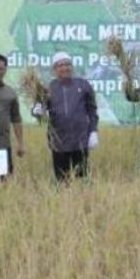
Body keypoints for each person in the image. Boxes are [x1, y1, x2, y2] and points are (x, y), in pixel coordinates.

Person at [32, 51, 99, 181]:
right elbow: (40, 111)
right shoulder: (48, 88)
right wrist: (37, 111)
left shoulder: (83, 85)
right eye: (60, 65)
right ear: (54, 69)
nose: (65, 68)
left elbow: (92, 111)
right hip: (58, 141)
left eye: (67, 64)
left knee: (82, 179)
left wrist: (93, 131)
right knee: (62, 180)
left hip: (80, 140)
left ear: (72, 67)